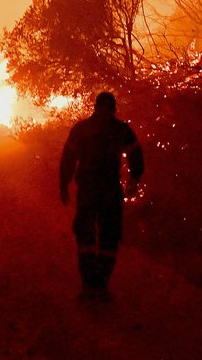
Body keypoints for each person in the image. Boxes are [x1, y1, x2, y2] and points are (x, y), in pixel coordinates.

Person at [59, 91, 144, 301]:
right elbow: (136, 154)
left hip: (91, 190)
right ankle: (98, 285)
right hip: (107, 191)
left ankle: (92, 285)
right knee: (107, 236)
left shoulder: (82, 129)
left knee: (90, 235)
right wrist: (134, 179)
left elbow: (68, 158)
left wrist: (64, 183)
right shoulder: (120, 129)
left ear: (95, 107)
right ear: (111, 108)